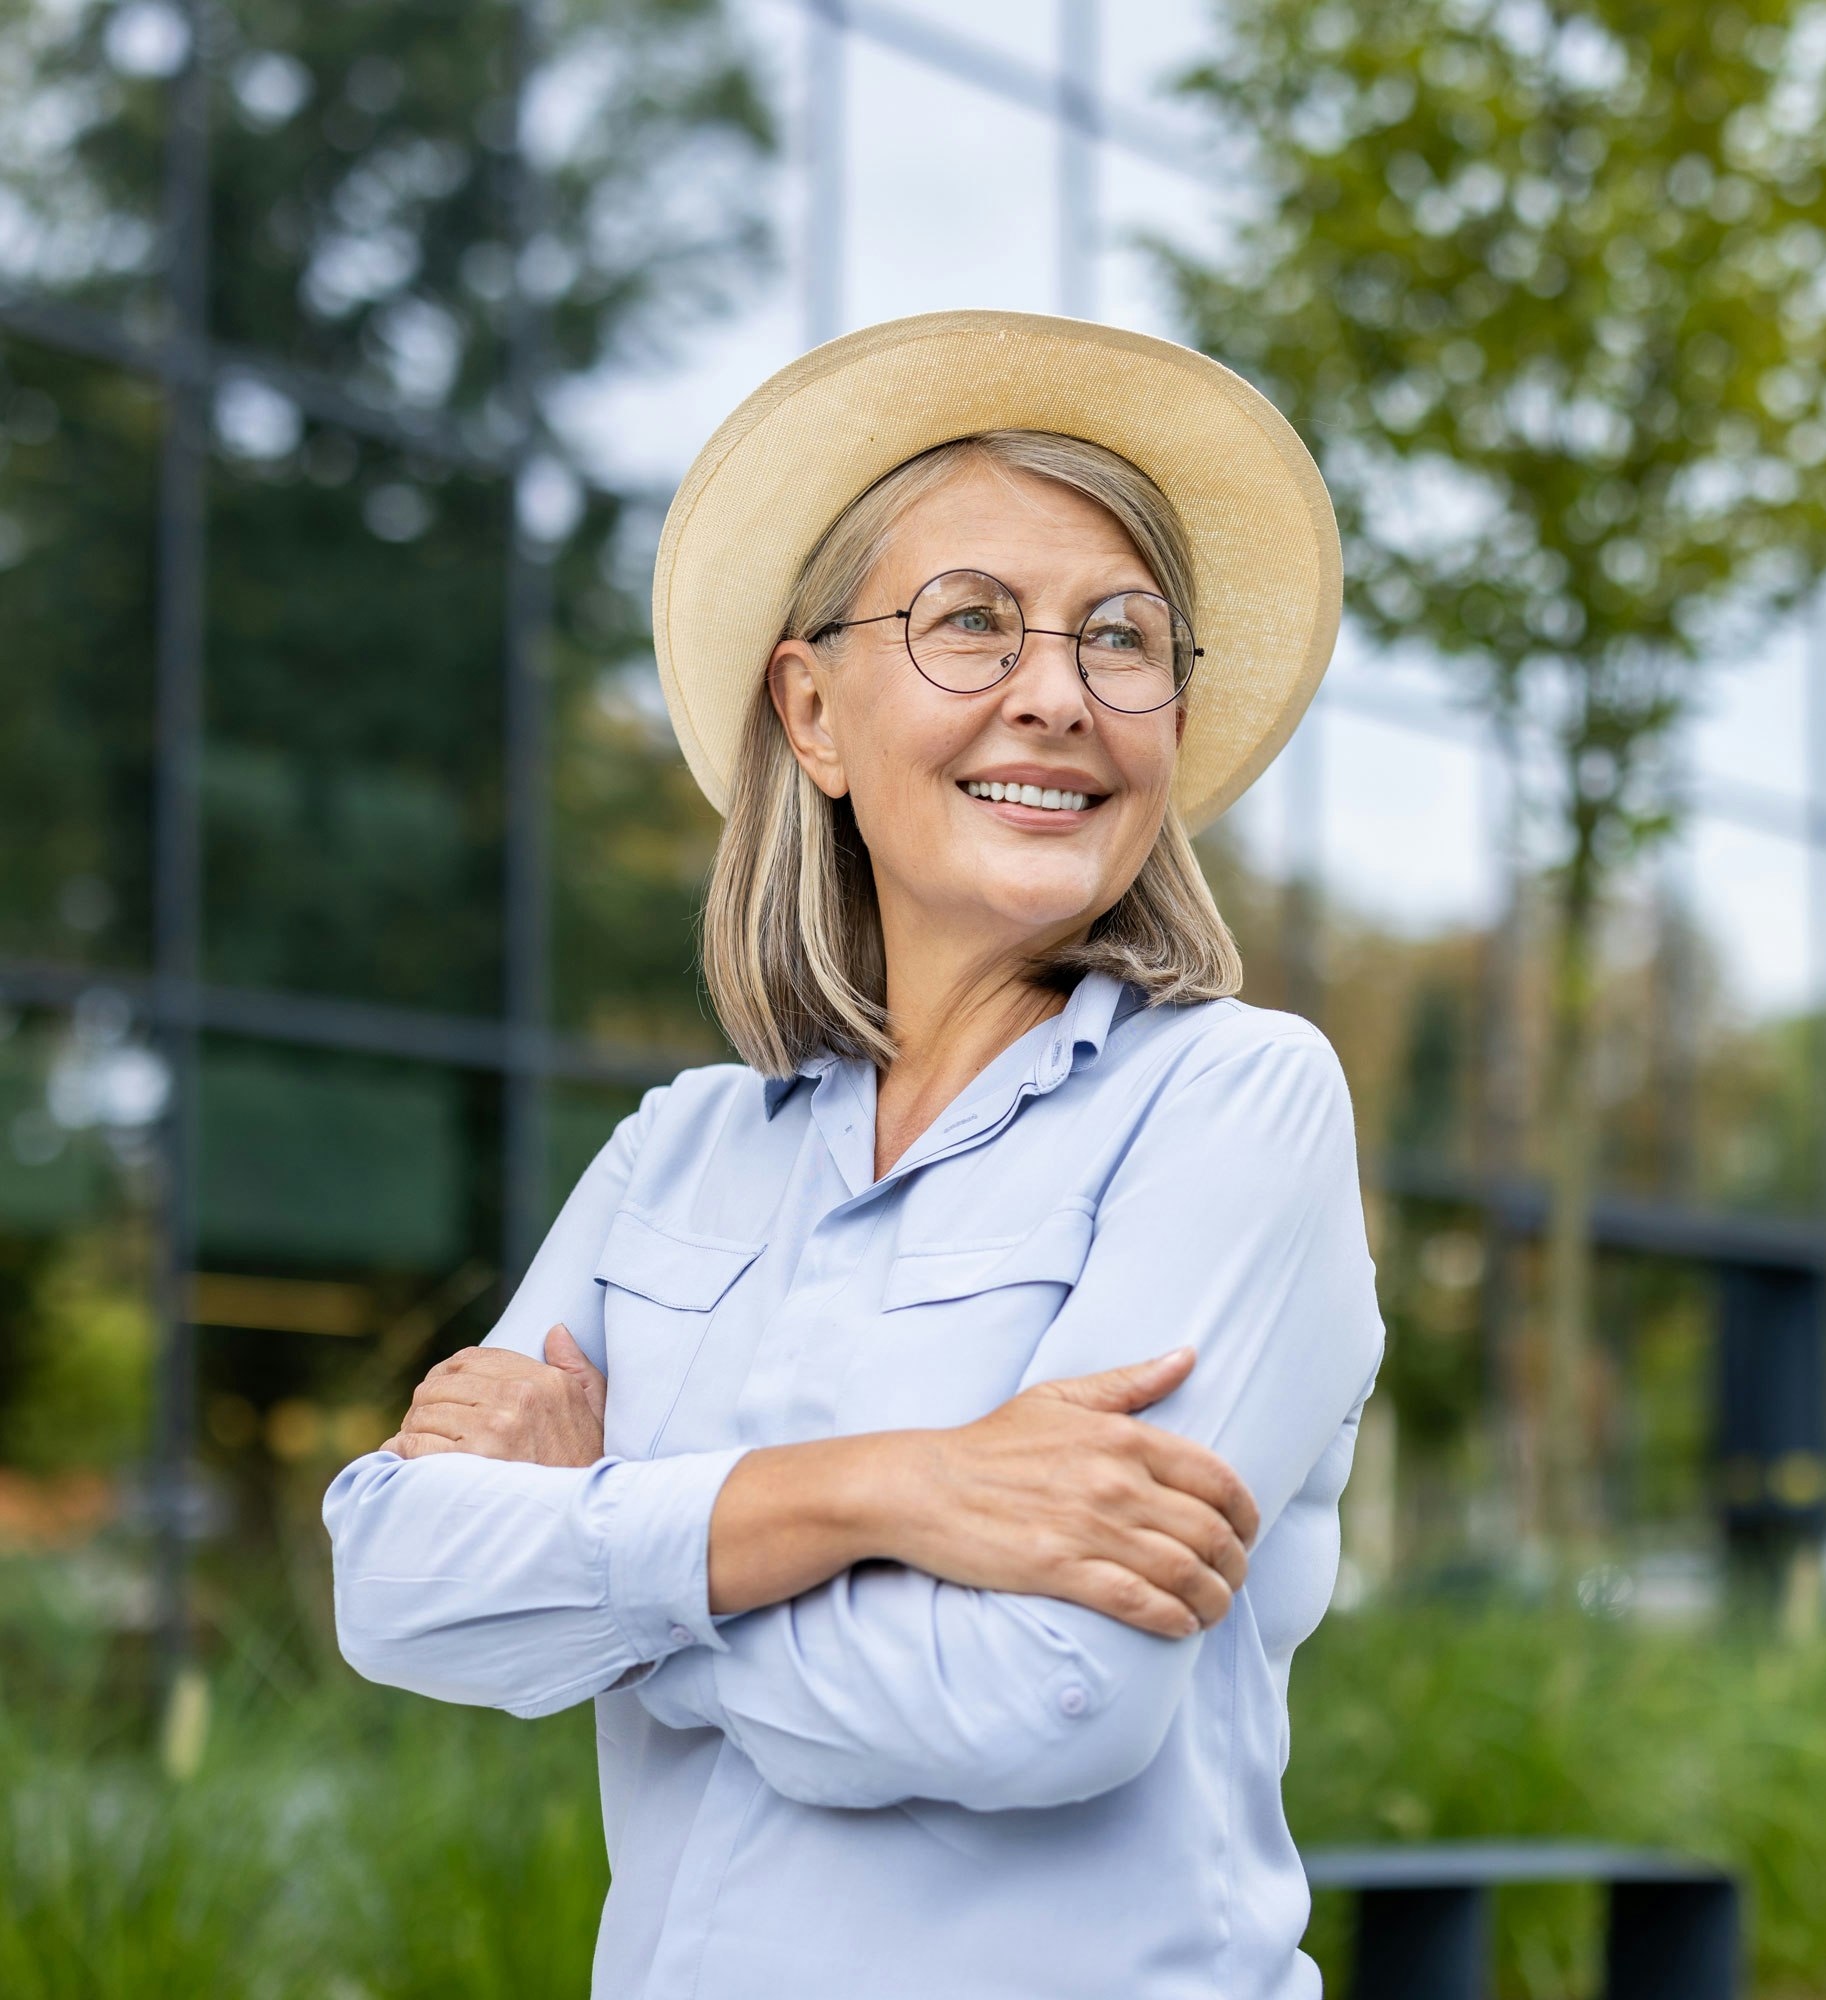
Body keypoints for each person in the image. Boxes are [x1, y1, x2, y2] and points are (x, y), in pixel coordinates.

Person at [322, 309, 1385, 1999]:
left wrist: (618, 1583)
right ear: (810, 710)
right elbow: (392, 1584)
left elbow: (1051, 1691)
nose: (1057, 694)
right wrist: (889, 1493)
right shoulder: (679, 1153)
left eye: (1123, 639)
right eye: (972, 622)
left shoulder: (1238, 1102)